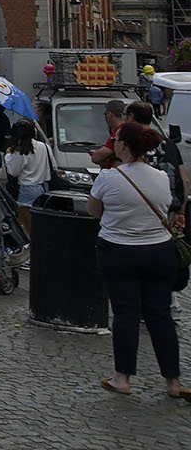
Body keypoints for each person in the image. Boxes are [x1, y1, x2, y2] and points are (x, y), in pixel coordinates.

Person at [87, 121, 187, 397]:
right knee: (160, 315)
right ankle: (173, 381)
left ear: (123, 146)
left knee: (125, 314)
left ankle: (123, 378)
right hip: (159, 251)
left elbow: (94, 211)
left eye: (117, 140)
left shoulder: (109, 177)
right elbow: (167, 207)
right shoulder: (161, 177)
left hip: (119, 251)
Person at [2, 119, 53, 236]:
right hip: (44, 187)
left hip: (28, 188)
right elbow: (53, 165)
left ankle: (32, 245)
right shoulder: (44, 146)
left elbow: (13, 171)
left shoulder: (21, 150)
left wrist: (8, 155)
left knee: (26, 227)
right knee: (39, 223)